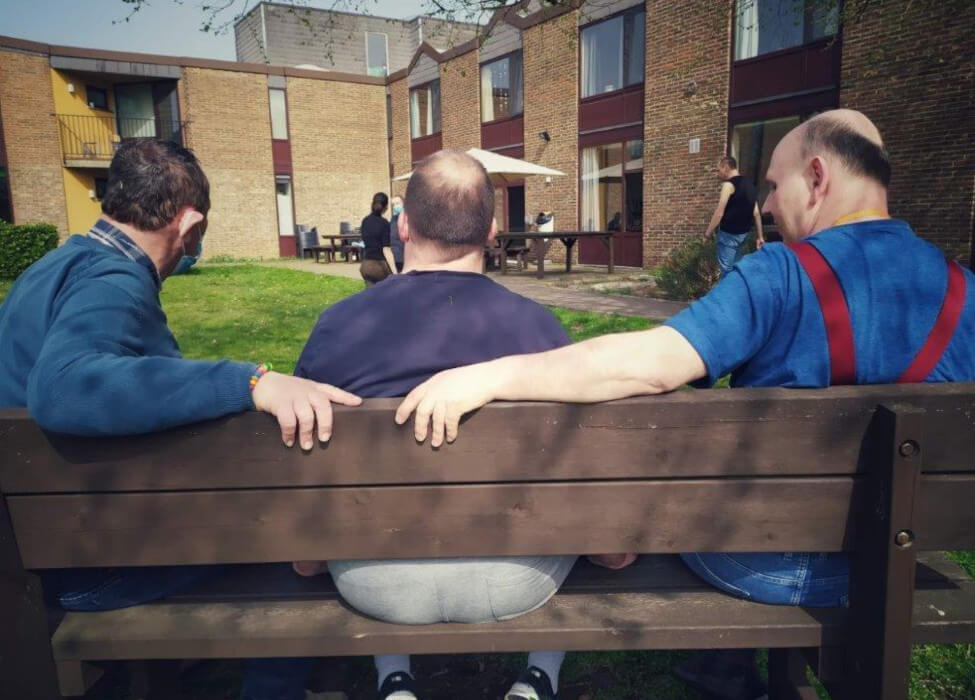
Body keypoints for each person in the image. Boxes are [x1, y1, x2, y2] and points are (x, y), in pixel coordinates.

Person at [392, 110, 975, 696]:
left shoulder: (778, 276)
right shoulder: (963, 291)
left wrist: (489, 377)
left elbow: (649, 367)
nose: (767, 207)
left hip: (765, 567)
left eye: (774, 185)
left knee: (690, 504)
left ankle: (722, 670)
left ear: (818, 177)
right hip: (904, 563)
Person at [0, 139, 361, 697]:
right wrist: (249, 380)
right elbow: (65, 384)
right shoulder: (114, 281)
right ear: (188, 222)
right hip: (91, 569)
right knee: (299, 551)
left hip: (41, 550)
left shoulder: (51, 268)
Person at [271, 151, 627, 700]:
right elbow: (585, 482)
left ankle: (394, 678)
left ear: (404, 225)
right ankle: (539, 678)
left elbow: (303, 475)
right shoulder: (541, 330)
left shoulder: (337, 327)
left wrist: (312, 556)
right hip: (514, 578)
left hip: (374, 580)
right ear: (490, 231)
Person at [704, 155, 765, 277]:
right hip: (744, 236)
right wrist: (760, 236)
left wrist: (707, 234)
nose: (718, 173)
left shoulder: (728, 185)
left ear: (726, 167)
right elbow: (756, 213)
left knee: (727, 272)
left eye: (718, 170)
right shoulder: (750, 185)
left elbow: (719, 212)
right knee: (737, 271)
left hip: (728, 236)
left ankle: (728, 295)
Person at [360, 191, 396, 285]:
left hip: (366, 265)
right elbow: (386, 249)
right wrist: (395, 272)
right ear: (385, 208)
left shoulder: (365, 221)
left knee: (370, 296)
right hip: (379, 267)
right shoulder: (384, 223)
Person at [389, 194, 405, 272]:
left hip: (405, 257)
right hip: (394, 257)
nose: (395, 206)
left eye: (397, 203)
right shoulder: (393, 218)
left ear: (404, 203)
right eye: (393, 205)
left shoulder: (409, 218)